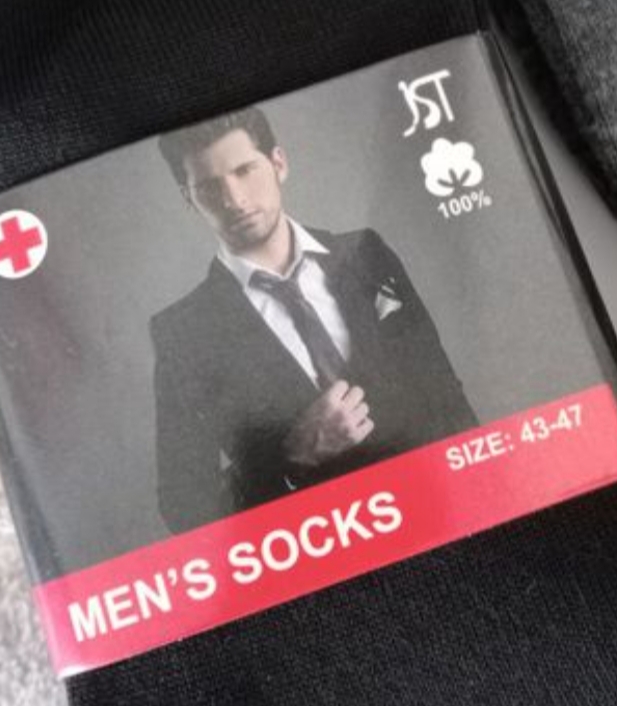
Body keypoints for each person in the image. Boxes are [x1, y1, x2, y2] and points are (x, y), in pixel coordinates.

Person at [151, 107, 476, 533]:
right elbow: (184, 506)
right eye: (210, 187)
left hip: (446, 512)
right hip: (324, 547)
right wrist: (292, 458)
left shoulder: (367, 253)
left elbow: (445, 395)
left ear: (279, 163)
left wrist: (484, 496)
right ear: (187, 197)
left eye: (245, 170)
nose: (234, 199)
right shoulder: (184, 332)